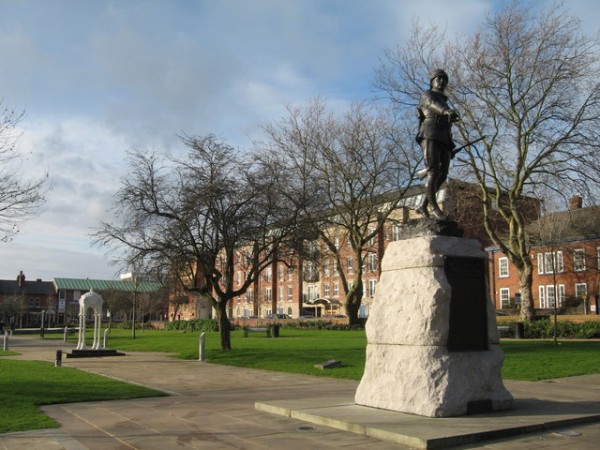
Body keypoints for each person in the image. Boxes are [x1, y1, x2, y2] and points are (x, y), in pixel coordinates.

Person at [416, 69, 460, 220]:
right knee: (433, 171)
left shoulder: (444, 100)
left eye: (444, 80)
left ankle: (423, 205)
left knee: (443, 174)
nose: (442, 82)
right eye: (439, 79)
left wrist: (450, 146)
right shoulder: (428, 94)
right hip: (429, 134)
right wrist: (446, 111)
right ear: (432, 81)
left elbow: (448, 126)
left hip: (444, 138)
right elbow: (432, 104)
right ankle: (435, 208)